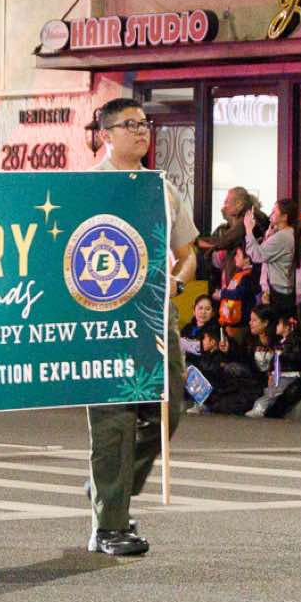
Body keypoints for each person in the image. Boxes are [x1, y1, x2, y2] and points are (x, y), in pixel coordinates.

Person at [80, 98, 198, 556]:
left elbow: (187, 254)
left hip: (154, 315)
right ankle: (110, 526)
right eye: (129, 125)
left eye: (144, 123)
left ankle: (108, 487)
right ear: (105, 135)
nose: (141, 131)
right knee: (115, 417)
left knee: (169, 408)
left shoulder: (162, 188)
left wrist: (177, 281)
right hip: (104, 319)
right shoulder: (87, 189)